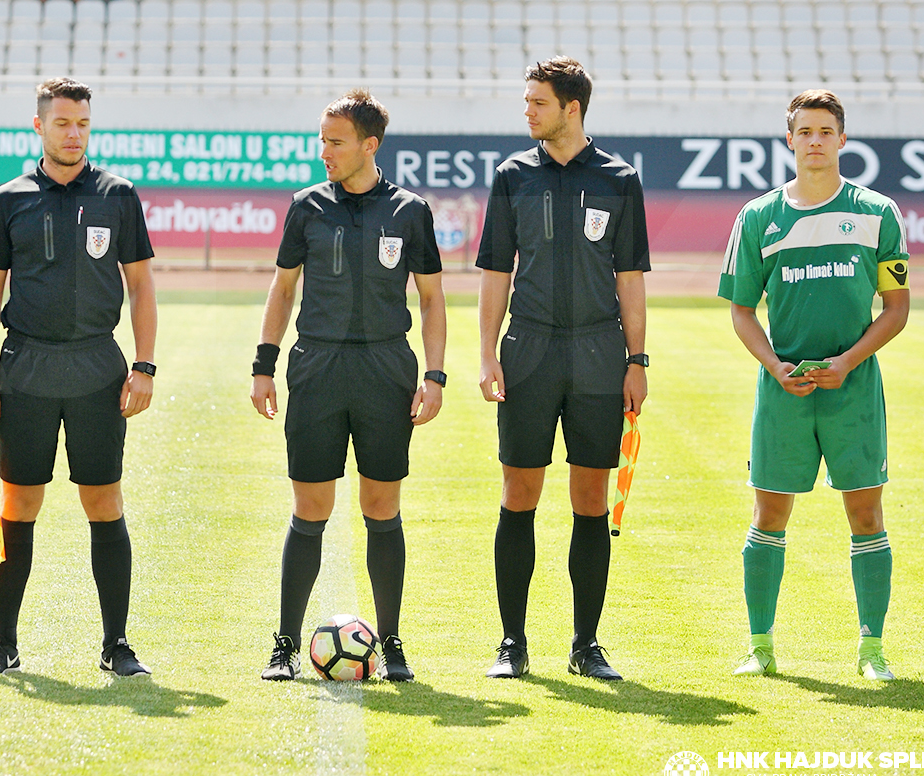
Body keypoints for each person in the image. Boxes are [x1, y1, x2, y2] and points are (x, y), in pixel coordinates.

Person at [251, 90, 446, 683]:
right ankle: (284, 645)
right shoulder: (306, 206)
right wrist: (264, 363)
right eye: (321, 140)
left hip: (387, 370)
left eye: (335, 142)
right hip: (317, 368)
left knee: (380, 507)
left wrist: (435, 376)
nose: (324, 152)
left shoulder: (410, 211)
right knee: (310, 508)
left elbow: (433, 298)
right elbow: (283, 289)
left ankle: (390, 644)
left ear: (370, 145)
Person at [0, 77, 158, 679]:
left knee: (103, 502)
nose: (73, 134)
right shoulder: (9, 199)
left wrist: (145, 364)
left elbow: (142, 285)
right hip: (24, 367)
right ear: (39, 127)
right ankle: (3, 642)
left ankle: (117, 644)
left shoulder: (118, 195)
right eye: (62, 124)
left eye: (82, 124)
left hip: (97, 366)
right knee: (19, 504)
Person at [718, 90, 910, 682]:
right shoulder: (758, 217)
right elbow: (742, 311)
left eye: (826, 130)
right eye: (805, 131)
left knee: (867, 515)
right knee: (769, 513)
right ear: (790, 141)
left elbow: (897, 308)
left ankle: (872, 649)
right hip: (785, 389)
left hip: (852, 388)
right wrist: (776, 366)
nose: (816, 141)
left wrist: (850, 360)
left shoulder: (878, 213)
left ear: (843, 139)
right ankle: (760, 646)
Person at [477, 58, 650, 682]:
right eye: (527, 101)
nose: (528, 111)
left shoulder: (620, 179)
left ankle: (586, 645)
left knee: (590, 499)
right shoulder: (511, 176)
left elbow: (629, 279)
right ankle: (512, 644)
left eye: (538, 102)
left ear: (571, 108)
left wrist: (637, 360)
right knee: (518, 494)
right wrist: (488, 352)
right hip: (529, 350)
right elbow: (496, 270)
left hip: (601, 355)